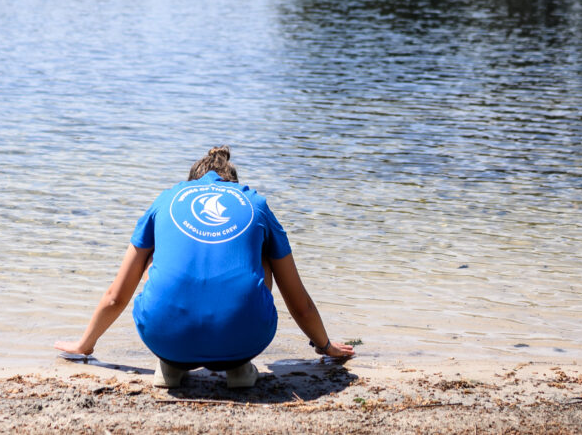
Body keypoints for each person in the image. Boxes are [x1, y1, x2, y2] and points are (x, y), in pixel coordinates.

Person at [54, 146, 356, 389]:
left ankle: (171, 367)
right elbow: (298, 303)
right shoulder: (255, 203)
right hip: (245, 340)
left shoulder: (166, 200)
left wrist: (85, 344)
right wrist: (325, 344)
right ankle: (238, 368)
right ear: (231, 184)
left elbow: (116, 295)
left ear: (192, 182)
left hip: (165, 338)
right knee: (260, 254)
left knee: (155, 254)